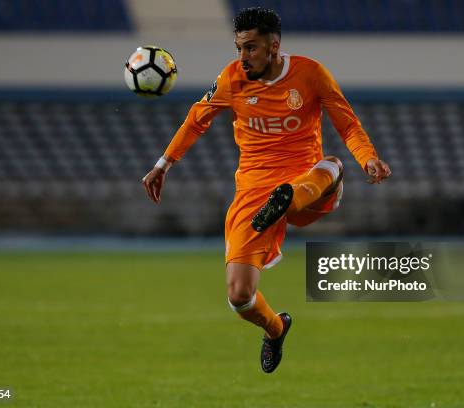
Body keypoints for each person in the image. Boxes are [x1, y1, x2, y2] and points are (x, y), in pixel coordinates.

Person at [142, 7, 391, 373]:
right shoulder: (232, 79)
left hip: (309, 184)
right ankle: (276, 329)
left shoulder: (311, 74)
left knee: (328, 167)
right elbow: (197, 120)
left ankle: (306, 188)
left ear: (274, 46)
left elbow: (348, 124)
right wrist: (163, 164)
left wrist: (367, 158)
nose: (243, 57)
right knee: (239, 296)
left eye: (251, 48)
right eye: (239, 48)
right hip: (254, 193)